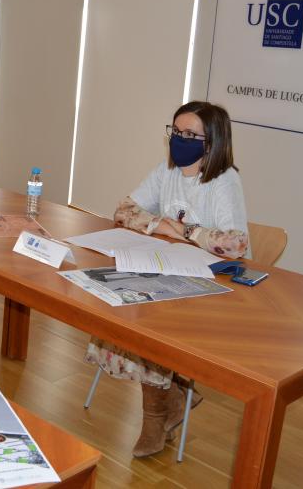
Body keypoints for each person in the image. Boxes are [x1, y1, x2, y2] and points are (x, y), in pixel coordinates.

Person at [85, 101, 248, 458]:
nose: (180, 139)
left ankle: (155, 419)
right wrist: (161, 225)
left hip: (207, 283)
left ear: (213, 142)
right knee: (120, 307)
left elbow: (234, 244)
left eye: (190, 134)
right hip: (165, 266)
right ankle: (174, 397)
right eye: (176, 132)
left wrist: (183, 229)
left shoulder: (224, 181)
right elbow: (123, 211)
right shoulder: (167, 171)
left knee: (148, 324)